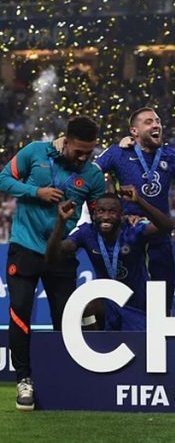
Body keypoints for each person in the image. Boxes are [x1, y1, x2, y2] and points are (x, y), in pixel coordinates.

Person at [0, 115, 106, 410]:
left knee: (65, 318)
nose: (84, 157)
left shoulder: (94, 175)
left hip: (61, 252)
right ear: (66, 140)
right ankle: (24, 380)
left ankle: (64, 379)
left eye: (90, 151)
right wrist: (36, 192)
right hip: (24, 246)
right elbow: (3, 179)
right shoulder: (35, 151)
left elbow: (100, 214)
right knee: (20, 310)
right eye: (79, 151)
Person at [46, 186, 174, 330]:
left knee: (140, 349)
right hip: (108, 306)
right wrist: (61, 222)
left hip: (138, 306)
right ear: (94, 215)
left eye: (112, 212)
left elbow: (167, 226)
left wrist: (139, 202)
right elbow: (52, 256)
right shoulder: (86, 233)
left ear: (121, 215)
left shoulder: (132, 230)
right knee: (87, 305)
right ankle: (94, 347)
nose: (106, 217)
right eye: (101, 211)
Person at [95, 108, 175, 314]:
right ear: (134, 131)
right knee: (129, 300)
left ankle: (160, 342)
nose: (156, 125)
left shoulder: (171, 155)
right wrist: (108, 211)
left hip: (159, 233)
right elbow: (91, 175)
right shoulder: (118, 152)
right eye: (149, 122)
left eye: (158, 121)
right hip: (127, 234)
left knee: (163, 300)